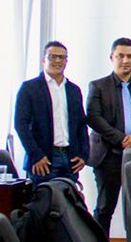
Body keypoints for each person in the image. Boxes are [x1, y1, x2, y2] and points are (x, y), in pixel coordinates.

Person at [86, 37, 131, 235]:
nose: (125, 60)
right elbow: (93, 118)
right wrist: (121, 138)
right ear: (112, 57)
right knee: (104, 207)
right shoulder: (98, 86)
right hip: (108, 154)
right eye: (120, 56)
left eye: (130, 56)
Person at [14, 41, 89, 185]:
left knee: (68, 198)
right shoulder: (29, 88)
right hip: (43, 159)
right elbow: (20, 124)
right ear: (43, 60)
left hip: (70, 158)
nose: (58, 61)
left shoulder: (73, 90)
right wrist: (36, 155)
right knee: (43, 197)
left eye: (62, 57)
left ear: (66, 61)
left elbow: (81, 124)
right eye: (53, 56)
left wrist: (84, 155)